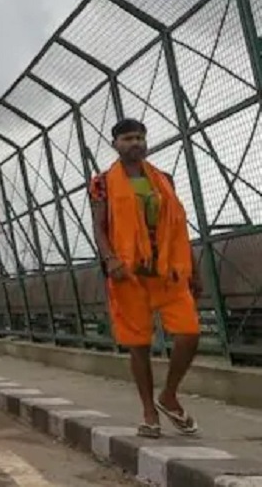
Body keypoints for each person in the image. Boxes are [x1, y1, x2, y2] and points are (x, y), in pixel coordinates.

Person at [90, 118, 202, 438]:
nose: (135, 143)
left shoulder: (163, 179)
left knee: (190, 333)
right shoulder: (102, 182)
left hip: (168, 272)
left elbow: (178, 225)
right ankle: (149, 412)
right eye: (127, 138)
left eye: (140, 137)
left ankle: (168, 395)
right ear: (115, 144)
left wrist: (193, 268)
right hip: (128, 274)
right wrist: (109, 258)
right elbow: (100, 225)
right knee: (139, 345)